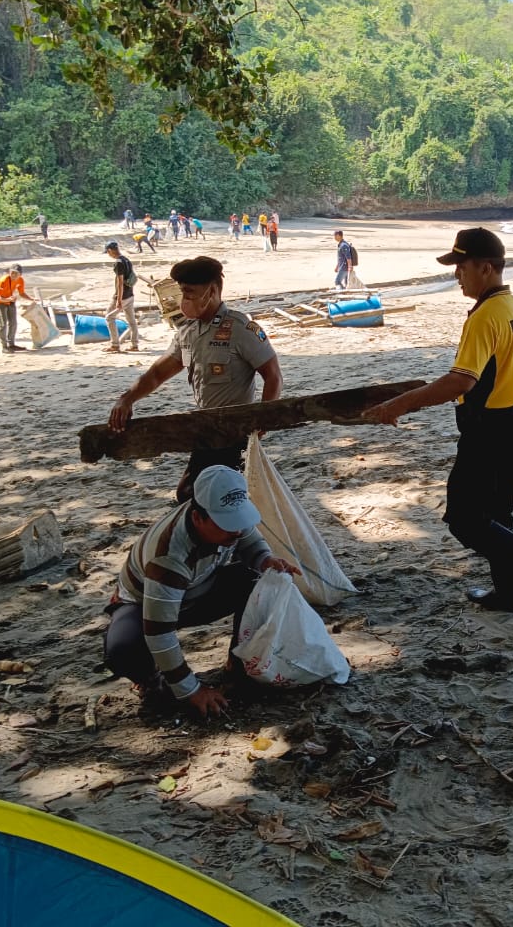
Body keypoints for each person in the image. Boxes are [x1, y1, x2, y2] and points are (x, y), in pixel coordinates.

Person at [361, 228, 513, 626]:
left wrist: (397, 404)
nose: (457, 275)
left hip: (489, 432)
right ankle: (507, 595)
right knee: (498, 515)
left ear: (485, 268)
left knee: (465, 520)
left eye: (462, 267)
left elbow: (461, 381)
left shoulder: (485, 316)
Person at [102, 465, 301, 715]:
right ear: (197, 517)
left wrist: (265, 560)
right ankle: (152, 681)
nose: (236, 530)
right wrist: (191, 690)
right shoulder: (168, 558)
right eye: (227, 524)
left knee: (261, 580)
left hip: (196, 591)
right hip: (143, 606)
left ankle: (237, 664)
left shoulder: (230, 519)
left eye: (238, 520)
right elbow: (159, 632)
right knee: (123, 650)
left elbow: (250, 540)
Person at [108, 256, 282, 500]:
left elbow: (273, 375)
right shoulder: (188, 332)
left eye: (189, 293)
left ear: (210, 291)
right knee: (195, 494)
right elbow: (158, 373)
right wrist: (127, 399)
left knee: (210, 495)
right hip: (204, 428)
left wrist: (264, 416)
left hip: (234, 431)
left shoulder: (240, 328)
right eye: (182, 292)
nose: (184, 299)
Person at [103, 241, 140, 353]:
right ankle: (134, 345)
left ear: (110, 250)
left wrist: (118, 300)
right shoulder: (126, 260)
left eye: (108, 252)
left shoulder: (118, 262)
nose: (108, 254)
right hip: (130, 295)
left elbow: (120, 282)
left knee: (109, 317)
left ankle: (115, 345)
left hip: (122, 296)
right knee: (131, 321)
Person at [0, 263, 33, 353]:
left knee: (13, 323)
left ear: (20, 274)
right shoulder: (3, 280)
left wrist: (32, 298)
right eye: (12, 273)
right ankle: (4, 347)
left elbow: (21, 293)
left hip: (10, 300)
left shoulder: (20, 280)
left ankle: (11, 344)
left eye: (16, 273)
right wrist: (8, 299)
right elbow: (0, 298)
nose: (13, 275)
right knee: (3, 324)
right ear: (9, 272)